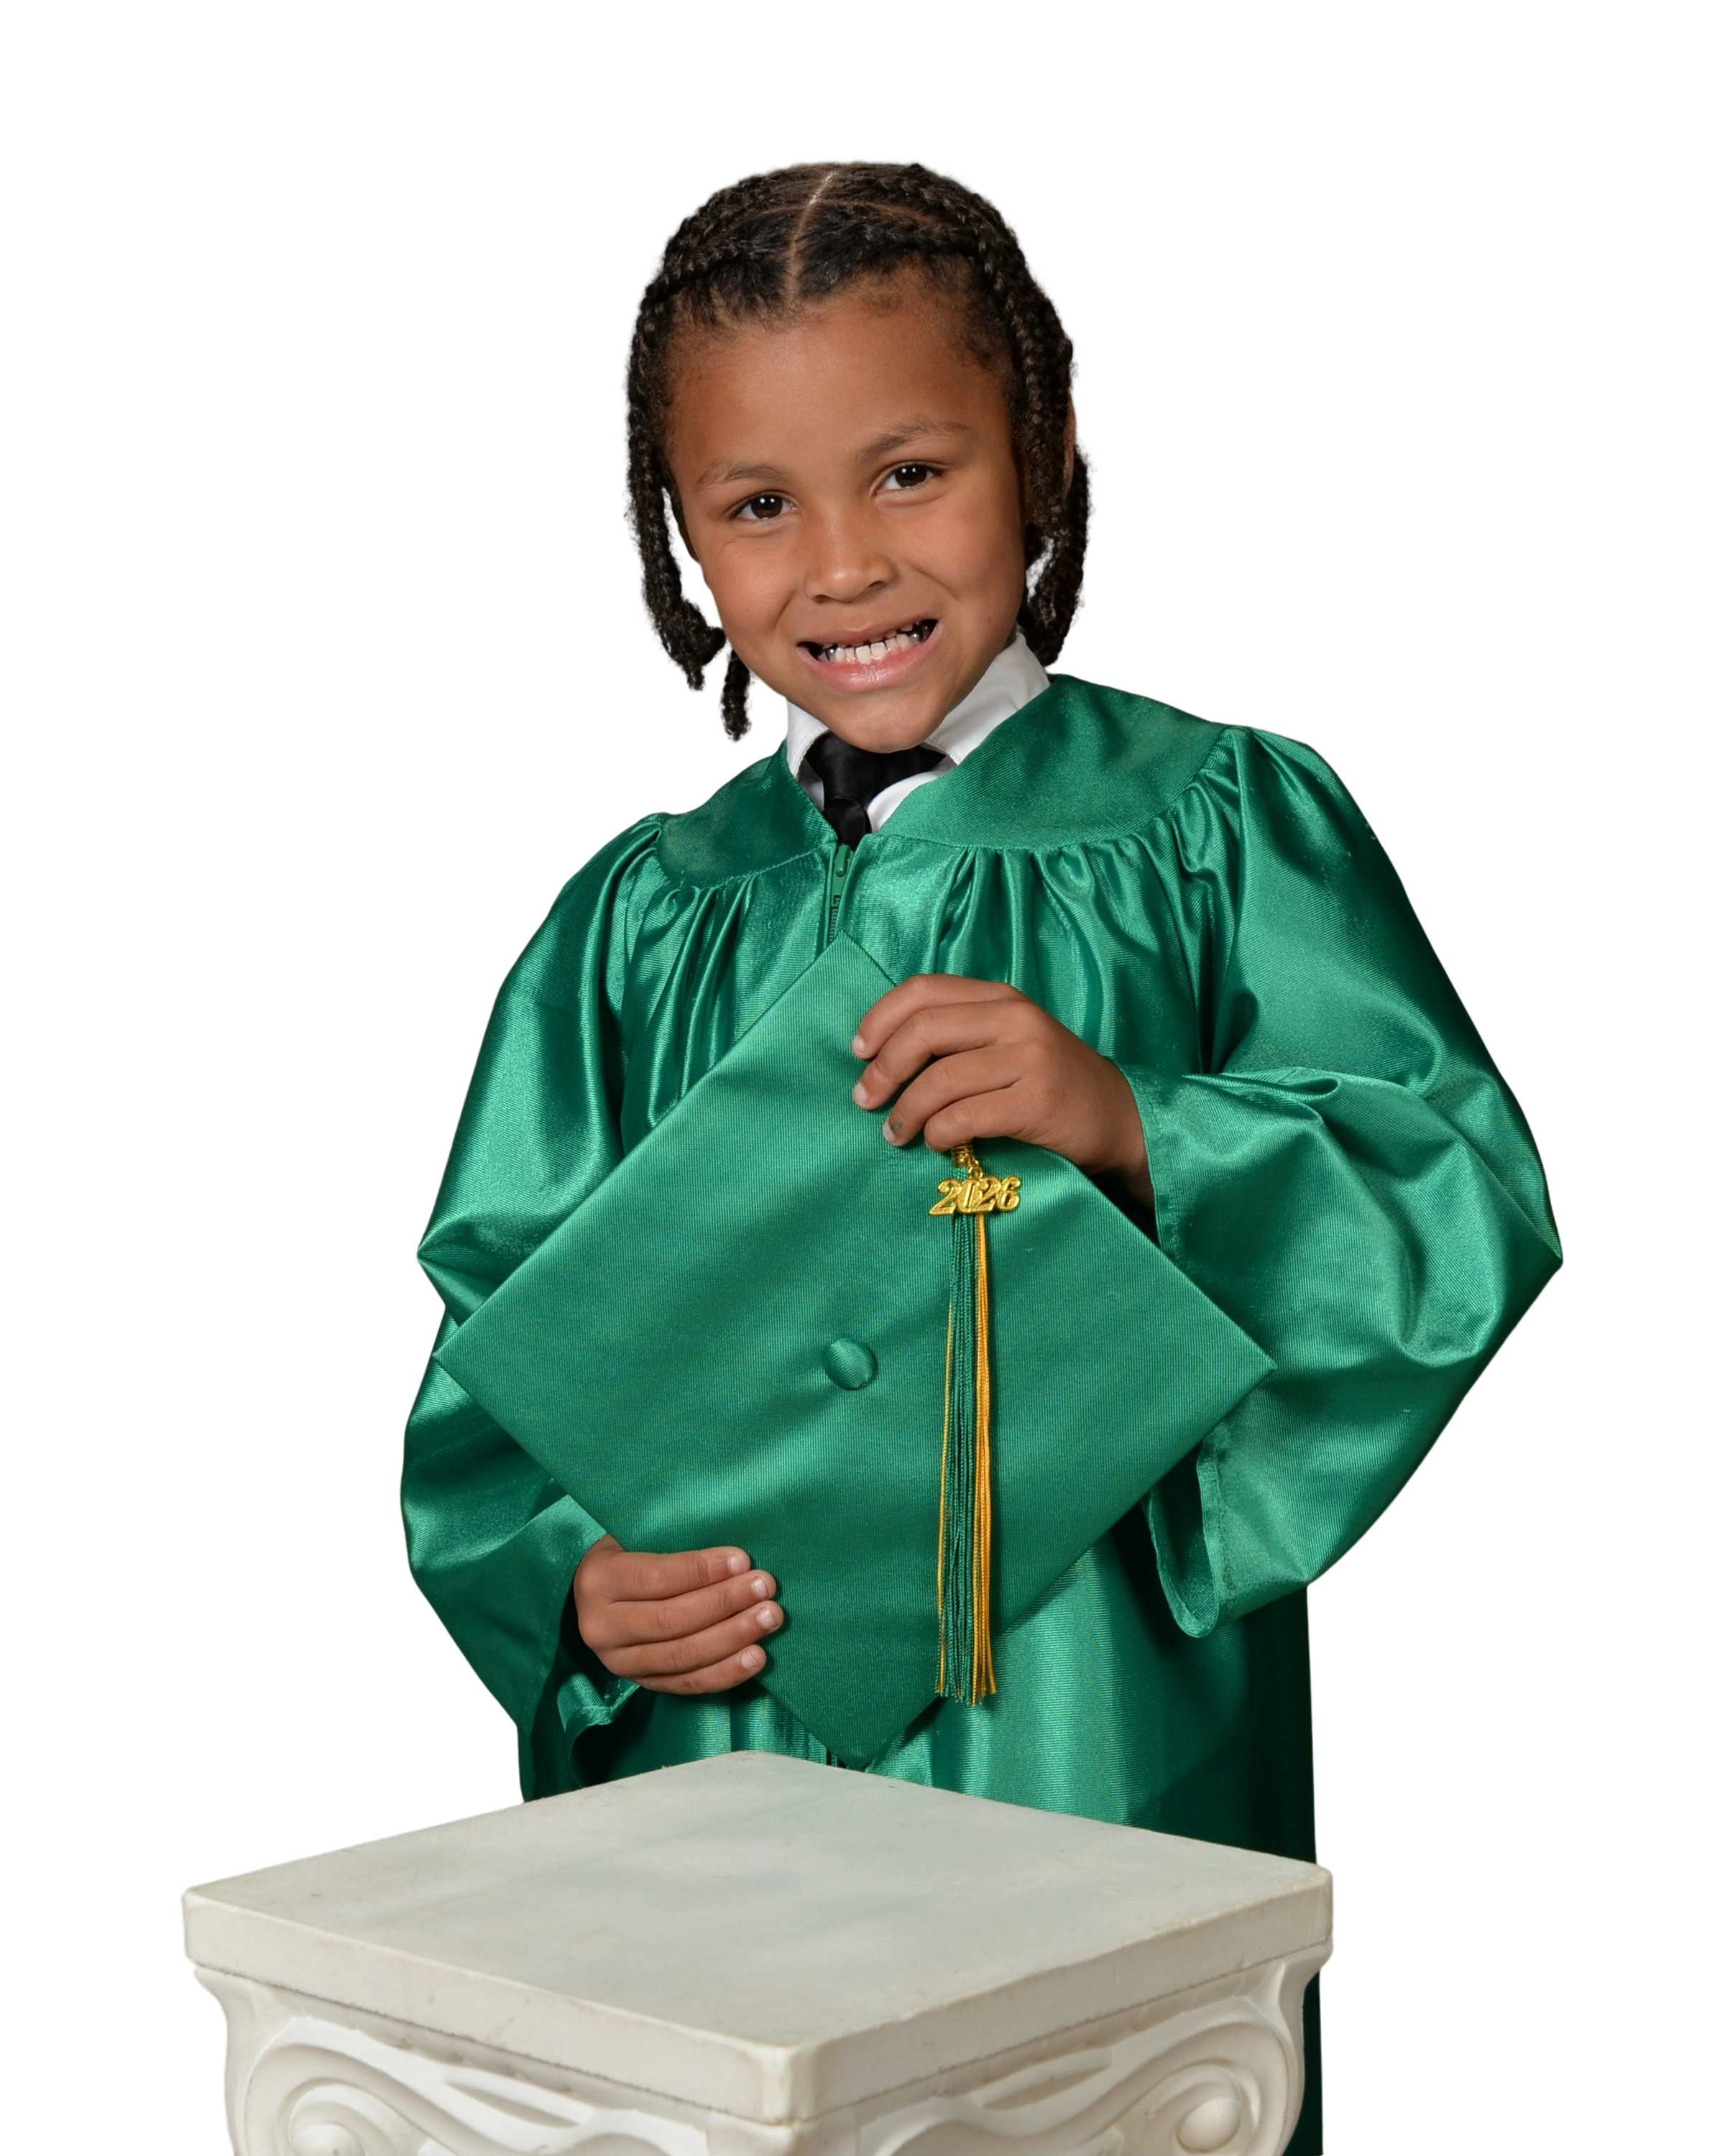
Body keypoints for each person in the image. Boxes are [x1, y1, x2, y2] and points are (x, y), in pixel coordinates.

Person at [400, 157, 1563, 2154]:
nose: (844, 566)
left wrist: (1136, 1122)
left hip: (1092, 1730)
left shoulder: (1216, 826)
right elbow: (497, 1348)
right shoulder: (636, 924)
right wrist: (570, 1587)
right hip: (721, 1750)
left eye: (910, 472)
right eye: (758, 506)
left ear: (1041, 448)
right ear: (676, 535)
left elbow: (1450, 1191)